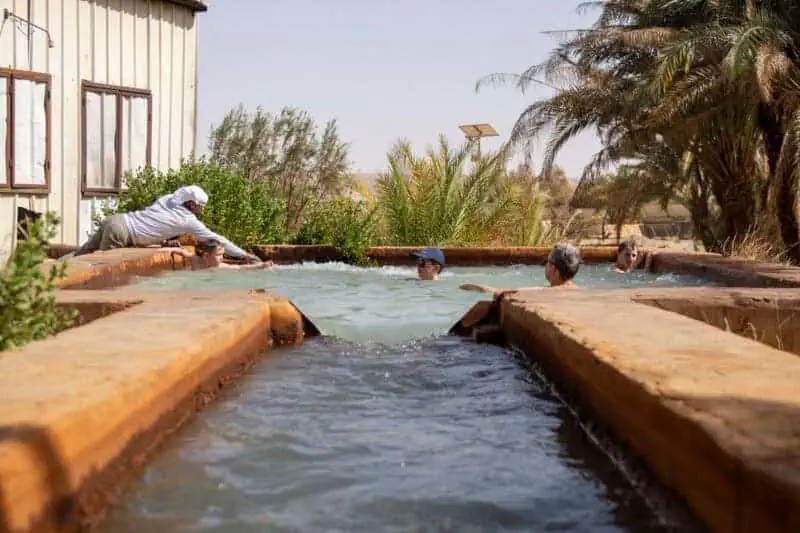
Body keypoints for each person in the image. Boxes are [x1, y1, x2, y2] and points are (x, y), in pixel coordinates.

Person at [73, 185, 262, 264]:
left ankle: (53, 267)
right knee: (101, 268)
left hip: (116, 220)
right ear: (190, 203)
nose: (200, 210)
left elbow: (155, 223)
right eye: (199, 206)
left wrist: (165, 241)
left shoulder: (168, 199)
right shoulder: (187, 221)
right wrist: (243, 254)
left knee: (82, 255)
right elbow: (216, 239)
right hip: (122, 232)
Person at [460, 243, 581, 297]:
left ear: (554, 270)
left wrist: (474, 287)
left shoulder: (545, 293)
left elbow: (501, 293)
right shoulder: (583, 293)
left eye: (547, 262)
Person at [172, 240, 272, 270]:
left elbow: (240, 267)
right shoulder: (195, 259)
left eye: (222, 254)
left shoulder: (220, 267)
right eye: (219, 255)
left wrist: (260, 265)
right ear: (206, 256)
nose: (222, 257)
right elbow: (181, 251)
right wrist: (169, 248)